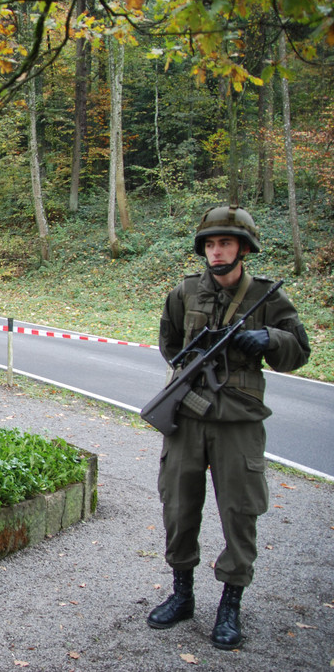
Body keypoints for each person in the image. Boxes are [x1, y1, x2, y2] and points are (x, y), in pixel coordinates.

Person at [147, 206, 310, 650]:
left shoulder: (267, 297)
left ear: (243, 248)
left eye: (226, 243)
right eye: (211, 244)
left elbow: (299, 350)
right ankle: (182, 595)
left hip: (238, 422)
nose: (217, 251)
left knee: (240, 513)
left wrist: (271, 340)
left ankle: (230, 604)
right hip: (186, 420)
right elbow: (170, 343)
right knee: (179, 508)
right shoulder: (183, 293)